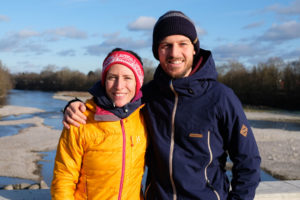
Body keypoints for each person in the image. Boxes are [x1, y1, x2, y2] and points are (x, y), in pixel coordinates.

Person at [63, 11, 261, 200]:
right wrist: (74, 106)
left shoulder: (221, 98)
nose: (174, 53)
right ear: (157, 51)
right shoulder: (147, 96)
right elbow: (112, 102)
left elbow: (248, 162)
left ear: (194, 48)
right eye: (166, 45)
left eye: (182, 43)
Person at [51, 48, 148, 200]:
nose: (119, 86)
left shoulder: (145, 117)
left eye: (128, 78)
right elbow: (64, 177)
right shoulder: (80, 119)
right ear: (104, 81)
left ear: (138, 82)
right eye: (112, 77)